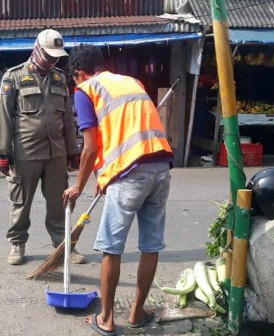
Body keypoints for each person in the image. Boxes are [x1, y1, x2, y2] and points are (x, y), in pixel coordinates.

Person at [62, 44, 173, 336]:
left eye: (75, 78)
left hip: (130, 175)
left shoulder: (85, 89)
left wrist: (78, 186)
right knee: (151, 245)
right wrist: (104, 175)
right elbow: (122, 133)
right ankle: (137, 314)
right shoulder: (131, 82)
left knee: (111, 247)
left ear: (79, 73)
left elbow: (90, 147)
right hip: (161, 166)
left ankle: (107, 319)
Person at [0, 29, 85, 265]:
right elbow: (4, 117)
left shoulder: (59, 78)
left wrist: (71, 151)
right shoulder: (14, 77)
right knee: (21, 203)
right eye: (49, 55)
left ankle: (63, 246)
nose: (53, 60)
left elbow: (67, 118)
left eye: (56, 56)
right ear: (37, 49)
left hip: (55, 153)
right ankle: (17, 244)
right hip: (25, 152)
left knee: (59, 202)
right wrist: (4, 153)